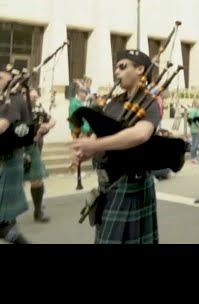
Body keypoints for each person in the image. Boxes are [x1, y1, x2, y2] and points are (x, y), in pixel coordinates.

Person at [70, 49, 162, 244]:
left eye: (123, 67)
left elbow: (140, 134)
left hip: (129, 184)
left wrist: (96, 144)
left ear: (139, 69)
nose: (117, 72)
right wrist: (85, 151)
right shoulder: (113, 103)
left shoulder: (150, 103)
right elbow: (101, 133)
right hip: (108, 185)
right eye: (116, 68)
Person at [0, 67, 31, 244]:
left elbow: (2, 126)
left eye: (0, 78)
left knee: (2, 223)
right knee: (5, 221)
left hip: (8, 162)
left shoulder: (13, 99)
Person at [24, 88, 57, 222]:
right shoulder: (13, 108)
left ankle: (38, 212)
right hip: (14, 148)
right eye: (31, 97)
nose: (34, 99)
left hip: (33, 147)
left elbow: (53, 119)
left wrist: (48, 126)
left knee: (37, 179)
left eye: (35, 97)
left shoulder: (38, 110)